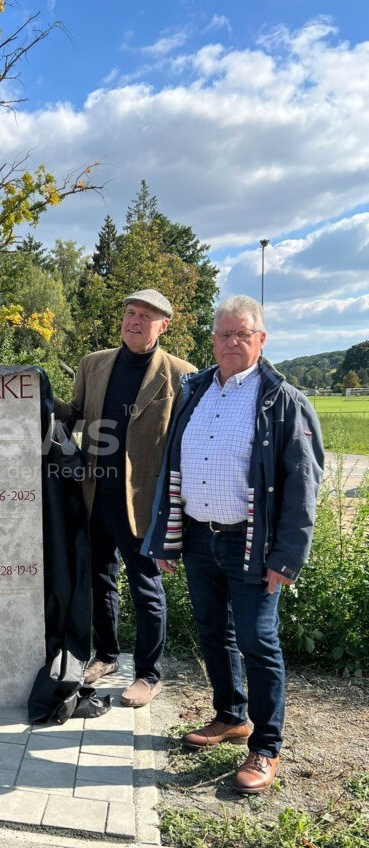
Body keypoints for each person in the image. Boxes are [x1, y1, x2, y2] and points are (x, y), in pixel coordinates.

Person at [142, 295, 323, 792]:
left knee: (258, 642)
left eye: (243, 334)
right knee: (212, 631)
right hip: (199, 536)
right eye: (224, 334)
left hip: (252, 543)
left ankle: (266, 747)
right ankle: (230, 715)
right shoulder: (196, 390)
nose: (232, 342)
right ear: (213, 339)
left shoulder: (282, 399)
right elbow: (173, 465)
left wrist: (287, 556)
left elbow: (303, 484)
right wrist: (167, 537)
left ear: (261, 339)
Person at [54, 289, 195, 707]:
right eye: (130, 313)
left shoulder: (183, 374)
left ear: (163, 326)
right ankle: (107, 655)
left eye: (145, 316)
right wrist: (37, 397)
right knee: (99, 580)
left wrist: (178, 509)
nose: (134, 321)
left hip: (145, 504)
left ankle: (149, 676)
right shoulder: (93, 364)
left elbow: (186, 445)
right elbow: (75, 415)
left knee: (146, 588)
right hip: (96, 494)